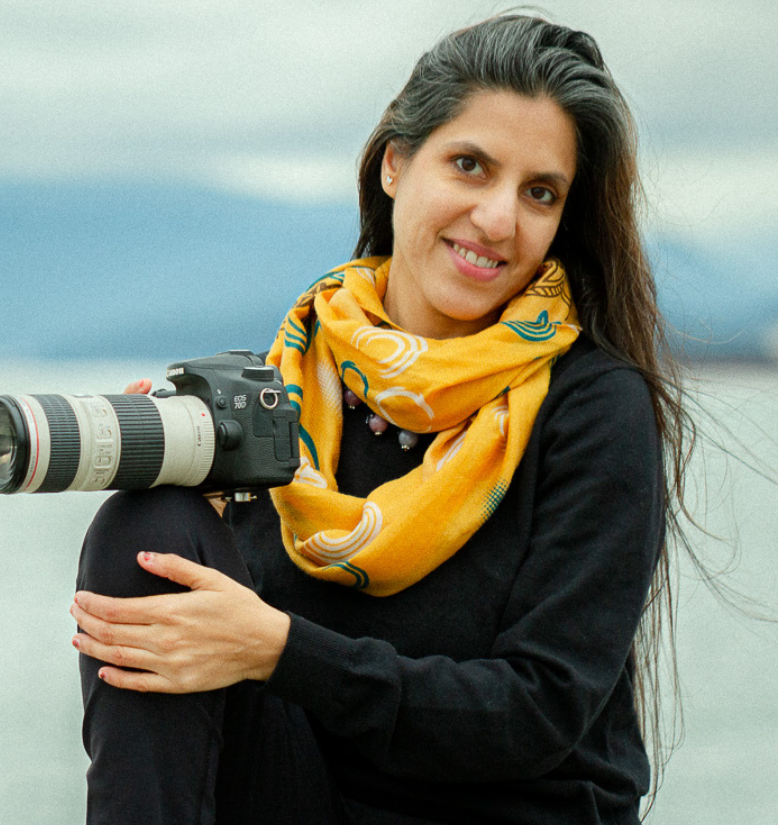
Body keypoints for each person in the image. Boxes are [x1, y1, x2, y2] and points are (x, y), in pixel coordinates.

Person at [68, 14, 690, 825]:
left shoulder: (590, 406)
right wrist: (206, 515)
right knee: (149, 526)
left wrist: (277, 647)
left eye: (540, 192)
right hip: (308, 799)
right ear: (397, 163)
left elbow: (536, 712)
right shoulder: (287, 384)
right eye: (470, 166)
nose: (499, 219)